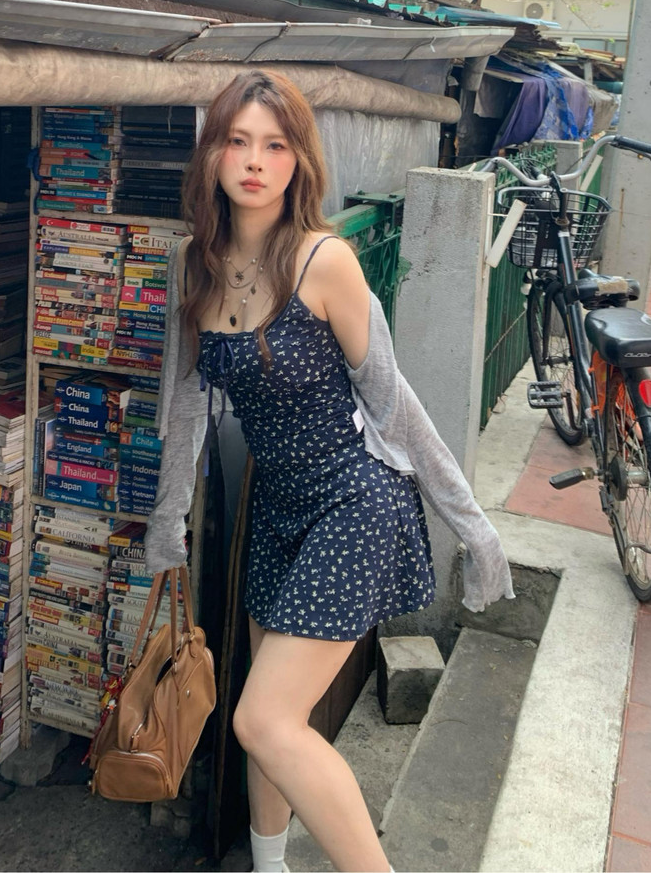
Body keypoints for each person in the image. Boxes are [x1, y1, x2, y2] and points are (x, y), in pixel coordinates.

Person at [144, 70, 514, 873]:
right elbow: (184, 404)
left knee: (262, 720)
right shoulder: (194, 266)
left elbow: (396, 405)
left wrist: (473, 525)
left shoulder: (325, 261)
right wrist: (167, 520)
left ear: (299, 160)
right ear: (212, 155)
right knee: (273, 722)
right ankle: (270, 866)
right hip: (276, 509)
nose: (255, 161)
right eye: (237, 141)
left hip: (353, 502)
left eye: (275, 145)